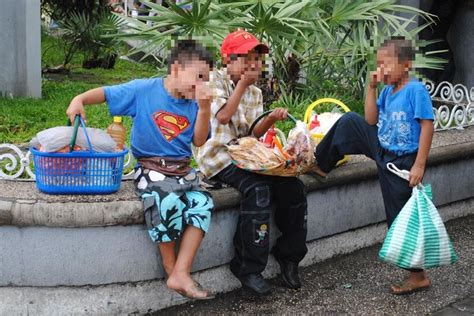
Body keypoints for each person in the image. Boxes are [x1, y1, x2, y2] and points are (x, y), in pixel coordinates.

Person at [66, 39, 215, 300]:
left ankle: (182, 270)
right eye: (199, 76)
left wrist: (204, 110)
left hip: (182, 172)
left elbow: (200, 140)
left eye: (206, 78)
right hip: (151, 169)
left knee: (202, 203)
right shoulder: (144, 90)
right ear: (177, 69)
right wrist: (79, 99)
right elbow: (107, 92)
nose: (202, 84)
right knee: (166, 199)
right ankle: (171, 269)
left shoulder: (195, 104)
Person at [313, 37, 435, 295]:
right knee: (350, 121)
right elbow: (370, 119)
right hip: (382, 147)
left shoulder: (415, 90)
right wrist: (371, 88)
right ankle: (321, 164)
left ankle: (418, 275)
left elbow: (427, 125)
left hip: (402, 161)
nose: (381, 69)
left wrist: (419, 166)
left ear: (406, 64)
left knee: (400, 219)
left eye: (386, 64)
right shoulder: (388, 91)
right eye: (378, 64)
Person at [193, 30, 308, 295]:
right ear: (227, 59)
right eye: (247, 57)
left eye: (257, 58)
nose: (254, 64)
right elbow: (222, 116)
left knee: (293, 187)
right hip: (218, 157)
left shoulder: (255, 92)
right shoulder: (214, 80)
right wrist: (242, 85)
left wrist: (271, 118)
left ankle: (289, 256)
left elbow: (253, 132)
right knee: (258, 189)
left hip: (247, 154)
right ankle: (248, 267)